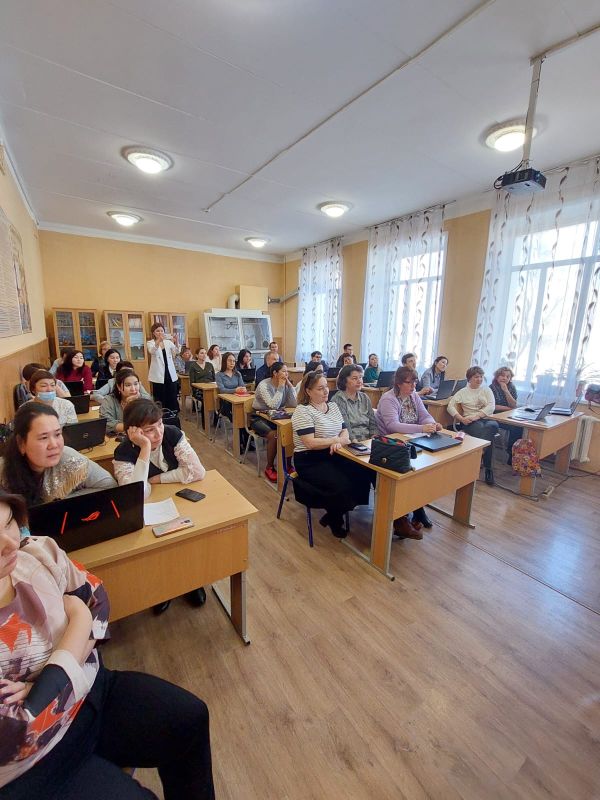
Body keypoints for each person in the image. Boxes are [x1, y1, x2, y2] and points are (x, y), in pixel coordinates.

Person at [0, 490, 216, 799]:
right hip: (36, 763)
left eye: (9, 523)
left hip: (92, 694)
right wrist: (78, 618)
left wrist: (46, 683)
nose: (10, 544)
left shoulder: (36, 552)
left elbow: (97, 599)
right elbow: (18, 729)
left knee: (190, 718)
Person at [113, 398, 206, 614]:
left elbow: (197, 472)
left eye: (160, 424)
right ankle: (164, 590)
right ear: (133, 433)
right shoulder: (123, 453)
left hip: (177, 500)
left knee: (188, 537)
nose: (158, 434)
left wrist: (158, 479)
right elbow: (137, 494)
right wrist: (145, 448)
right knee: (157, 546)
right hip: (149, 511)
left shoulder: (173, 434)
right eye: (149, 430)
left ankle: (191, 582)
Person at [291, 371, 372, 538]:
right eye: (320, 388)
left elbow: (345, 432)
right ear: (308, 391)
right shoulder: (302, 411)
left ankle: (334, 512)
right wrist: (335, 440)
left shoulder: (333, 406)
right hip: (309, 459)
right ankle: (335, 518)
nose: (326, 391)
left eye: (326, 387)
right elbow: (310, 443)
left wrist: (339, 441)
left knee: (363, 473)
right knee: (341, 484)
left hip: (334, 453)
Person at [0, 403, 116, 505]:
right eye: (43, 437)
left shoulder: (70, 458)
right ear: (21, 443)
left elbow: (109, 486)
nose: (54, 445)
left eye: (57, 434)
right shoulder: (3, 473)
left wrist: (59, 505)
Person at [375, 365, 442, 537]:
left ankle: (417, 509)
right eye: (409, 383)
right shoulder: (388, 398)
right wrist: (422, 428)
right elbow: (392, 425)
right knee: (409, 473)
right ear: (398, 383)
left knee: (423, 471)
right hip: (392, 443)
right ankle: (408, 514)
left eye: (415, 382)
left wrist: (432, 424)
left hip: (412, 439)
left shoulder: (413, 396)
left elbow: (424, 415)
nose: (413, 386)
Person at [447, 366, 499, 486]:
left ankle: (480, 452)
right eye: (476, 377)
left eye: (481, 377)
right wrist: (461, 419)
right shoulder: (463, 392)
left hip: (486, 418)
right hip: (469, 422)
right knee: (488, 434)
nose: (479, 379)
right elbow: (450, 406)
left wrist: (477, 416)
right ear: (469, 378)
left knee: (492, 426)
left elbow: (491, 407)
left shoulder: (486, 390)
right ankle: (489, 470)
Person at [250, 362, 297, 482]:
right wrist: (280, 387)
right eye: (284, 371)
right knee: (274, 435)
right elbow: (273, 405)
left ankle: (287, 464)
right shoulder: (264, 385)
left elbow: (293, 404)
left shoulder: (285, 384)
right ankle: (269, 467)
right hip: (259, 417)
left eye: (287, 372)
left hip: (276, 417)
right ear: (275, 373)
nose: (286, 374)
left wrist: (290, 387)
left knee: (290, 431)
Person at [330, 365, 378, 443]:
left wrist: (375, 438)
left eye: (360, 377)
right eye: (355, 378)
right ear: (344, 381)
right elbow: (345, 427)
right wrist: (356, 443)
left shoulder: (364, 397)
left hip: (368, 441)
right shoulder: (338, 400)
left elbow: (373, 423)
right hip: (350, 442)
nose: (359, 381)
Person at [490, 366, 521, 465]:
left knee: (520, 427)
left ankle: (514, 453)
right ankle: (511, 454)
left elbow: (513, 405)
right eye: (502, 375)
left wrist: (506, 391)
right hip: (495, 417)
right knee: (515, 428)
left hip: (508, 416)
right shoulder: (491, 388)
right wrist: (509, 409)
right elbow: (493, 406)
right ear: (497, 376)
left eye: (508, 376)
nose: (505, 378)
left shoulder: (511, 387)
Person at [147, 323, 179, 412]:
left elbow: (176, 352)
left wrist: (176, 342)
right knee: (160, 395)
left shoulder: (168, 342)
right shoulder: (150, 343)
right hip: (158, 374)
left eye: (162, 331)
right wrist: (158, 341)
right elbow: (152, 351)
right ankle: (160, 413)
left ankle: (172, 413)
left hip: (169, 372)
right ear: (153, 333)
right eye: (157, 331)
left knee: (172, 393)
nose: (160, 332)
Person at [99, 369, 142, 434]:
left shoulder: (143, 400)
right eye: (128, 385)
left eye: (136, 384)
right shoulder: (109, 400)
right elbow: (105, 423)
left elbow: (146, 423)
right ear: (119, 387)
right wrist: (129, 428)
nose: (133, 389)